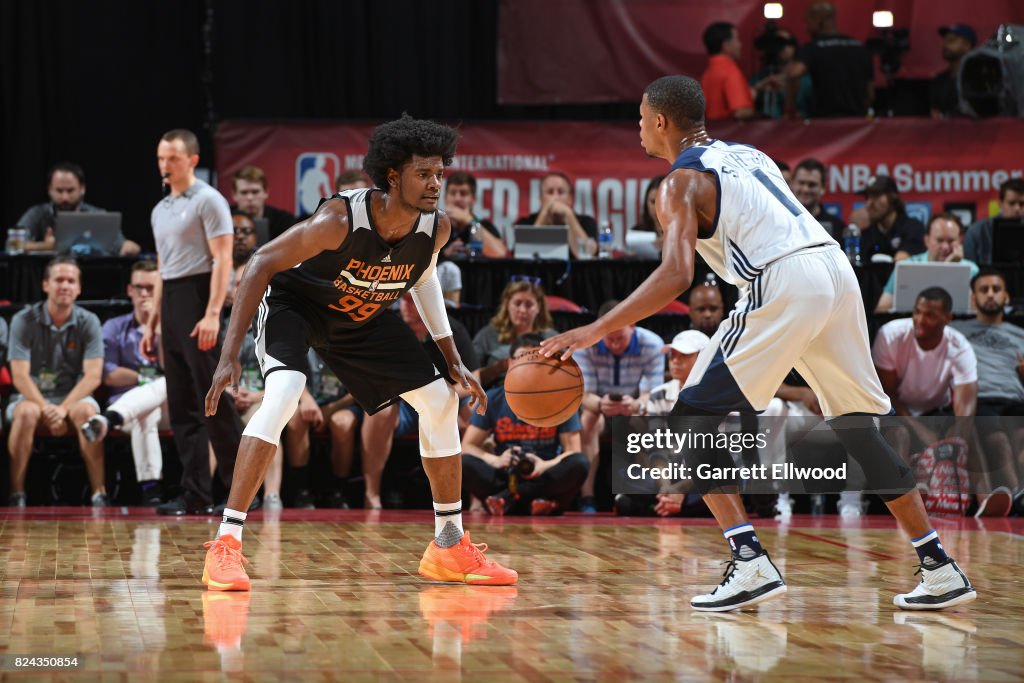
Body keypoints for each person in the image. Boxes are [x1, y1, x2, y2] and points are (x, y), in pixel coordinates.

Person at [541, 75, 975, 611]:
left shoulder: (677, 183)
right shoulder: (749, 155)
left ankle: (748, 561)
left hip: (783, 278)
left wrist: (592, 328)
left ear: (659, 121)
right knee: (858, 429)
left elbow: (677, 274)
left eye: (639, 118)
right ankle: (939, 567)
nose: (638, 128)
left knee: (688, 419)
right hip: (835, 271)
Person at [202, 114, 517, 591]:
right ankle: (226, 544)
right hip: (297, 306)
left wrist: (451, 358)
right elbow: (262, 261)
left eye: (439, 173)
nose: (436, 184)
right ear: (393, 176)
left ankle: (449, 544)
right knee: (286, 391)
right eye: (423, 174)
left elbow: (424, 280)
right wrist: (229, 355)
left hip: (359, 314)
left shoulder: (437, 228)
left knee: (440, 401)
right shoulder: (339, 219)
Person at [144, 128, 242, 516]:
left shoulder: (209, 200)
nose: (165, 166)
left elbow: (223, 259)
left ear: (192, 161)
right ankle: (195, 493)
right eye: (160, 159)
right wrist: (153, 321)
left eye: (172, 158)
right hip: (171, 299)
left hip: (200, 296)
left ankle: (238, 495)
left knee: (214, 400)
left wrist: (214, 313)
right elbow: (161, 268)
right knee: (183, 402)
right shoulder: (160, 208)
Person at [357, 292, 479, 510]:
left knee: (474, 412)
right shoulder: (389, 326)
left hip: (443, 400)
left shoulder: (452, 330)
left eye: (412, 300)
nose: (406, 305)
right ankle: (371, 493)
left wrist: (447, 395)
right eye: (402, 300)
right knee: (379, 411)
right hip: (402, 401)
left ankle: (477, 497)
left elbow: (472, 377)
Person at [6, 257, 107, 507]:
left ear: (79, 288)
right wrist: (47, 408)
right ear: (45, 285)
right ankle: (16, 493)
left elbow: (93, 376)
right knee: (27, 413)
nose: (65, 285)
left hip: (72, 397)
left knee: (87, 412)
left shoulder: (89, 321)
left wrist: (62, 409)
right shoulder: (23, 319)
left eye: (70, 281)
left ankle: (99, 493)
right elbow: (19, 375)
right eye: (58, 280)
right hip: (31, 395)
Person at [462, 334, 588, 516]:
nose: (528, 364)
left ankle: (508, 500)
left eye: (534, 358)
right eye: (522, 358)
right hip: (506, 475)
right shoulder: (494, 397)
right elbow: (467, 446)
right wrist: (496, 460)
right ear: (509, 364)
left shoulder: (561, 398)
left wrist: (545, 465)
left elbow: (573, 451)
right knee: (463, 463)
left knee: (579, 463)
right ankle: (539, 504)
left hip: (543, 474)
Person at [80, 260, 167, 504]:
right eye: (139, 287)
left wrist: (156, 328)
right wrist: (146, 377)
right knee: (146, 411)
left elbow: (175, 372)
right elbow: (108, 374)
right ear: (129, 290)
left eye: (151, 288)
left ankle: (108, 419)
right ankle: (151, 489)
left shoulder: (171, 328)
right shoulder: (114, 327)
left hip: (169, 408)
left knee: (167, 384)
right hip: (128, 408)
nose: (144, 294)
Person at [573, 299, 666, 513]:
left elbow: (650, 394)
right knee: (588, 419)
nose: (614, 344)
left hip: (633, 407)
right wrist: (600, 403)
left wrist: (634, 404)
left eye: (620, 338)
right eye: (609, 339)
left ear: (632, 326)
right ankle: (587, 496)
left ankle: (644, 495)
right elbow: (583, 395)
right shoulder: (586, 345)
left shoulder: (653, 344)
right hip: (599, 408)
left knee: (646, 420)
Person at [952, 269, 1023, 513]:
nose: (990, 295)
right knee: (999, 441)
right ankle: (1016, 501)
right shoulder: (957, 330)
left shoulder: (1020, 334)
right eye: (984, 290)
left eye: (996, 289)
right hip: (982, 397)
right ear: (973, 298)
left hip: (1015, 398)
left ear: (1007, 297)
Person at [16, 162, 140, 255]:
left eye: (70, 190)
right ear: (49, 190)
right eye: (59, 191)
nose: (65, 197)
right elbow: (14, 245)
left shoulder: (97, 216)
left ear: (82, 189)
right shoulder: (37, 214)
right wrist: (46, 246)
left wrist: (130, 248)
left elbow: (124, 245)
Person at [874, 213, 978, 313]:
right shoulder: (907, 267)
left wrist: (953, 269)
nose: (945, 247)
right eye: (940, 240)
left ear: (960, 240)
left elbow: (978, 313)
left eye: (951, 241)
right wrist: (946, 269)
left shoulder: (972, 270)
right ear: (927, 240)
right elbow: (882, 308)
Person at [786, 2, 873, 118]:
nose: (806, 27)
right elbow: (870, 94)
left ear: (818, 21)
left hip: (825, 124)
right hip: (857, 124)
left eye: (808, 22)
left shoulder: (813, 48)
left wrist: (790, 109)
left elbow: (794, 73)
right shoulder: (860, 48)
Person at [472, 278, 557, 388]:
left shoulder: (552, 338)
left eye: (529, 305)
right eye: (517, 303)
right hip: (498, 393)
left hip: (542, 391)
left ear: (539, 307)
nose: (522, 310)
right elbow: (471, 375)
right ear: (507, 304)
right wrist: (502, 366)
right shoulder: (487, 335)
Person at [516, 172, 598, 259]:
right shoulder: (526, 223)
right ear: (541, 199)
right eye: (550, 192)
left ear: (570, 199)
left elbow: (589, 255)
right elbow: (524, 255)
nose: (555, 197)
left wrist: (569, 216)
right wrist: (543, 216)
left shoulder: (586, 222)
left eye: (561, 192)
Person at [857, 175, 926, 262]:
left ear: (892, 199)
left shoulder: (913, 229)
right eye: (867, 197)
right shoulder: (865, 236)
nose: (869, 204)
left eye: (876, 196)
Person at [442, 171, 507, 259]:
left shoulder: (484, 226)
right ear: (445, 198)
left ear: (473, 199)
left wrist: (469, 220)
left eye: (463, 193)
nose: (457, 199)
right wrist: (444, 254)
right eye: (453, 193)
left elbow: (500, 254)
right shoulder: (435, 228)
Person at [700, 22, 756, 121]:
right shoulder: (730, 71)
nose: (740, 44)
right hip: (731, 133)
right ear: (726, 45)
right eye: (737, 40)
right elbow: (741, 112)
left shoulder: (707, 74)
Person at [963, 178, 1024, 265]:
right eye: (1011, 203)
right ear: (1000, 203)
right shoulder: (977, 231)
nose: (1017, 208)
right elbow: (969, 270)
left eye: (1022, 204)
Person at [231, 165, 297, 242]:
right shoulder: (224, 219)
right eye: (244, 192)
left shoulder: (284, 221)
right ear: (234, 195)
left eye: (255, 192)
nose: (250, 197)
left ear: (266, 192)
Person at [930, 24, 977, 119]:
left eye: (952, 40)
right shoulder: (938, 80)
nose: (946, 45)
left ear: (966, 45)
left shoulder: (976, 80)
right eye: (945, 40)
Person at [791, 158, 843, 241]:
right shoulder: (781, 221)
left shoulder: (837, 227)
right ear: (792, 184)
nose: (805, 189)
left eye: (812, 184)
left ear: (822, 188)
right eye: (801, 183)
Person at [626, 175, 665, 258]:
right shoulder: (636, 233)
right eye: (652, 201)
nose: (656, 207)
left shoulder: (685, 234)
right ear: (646, 203)